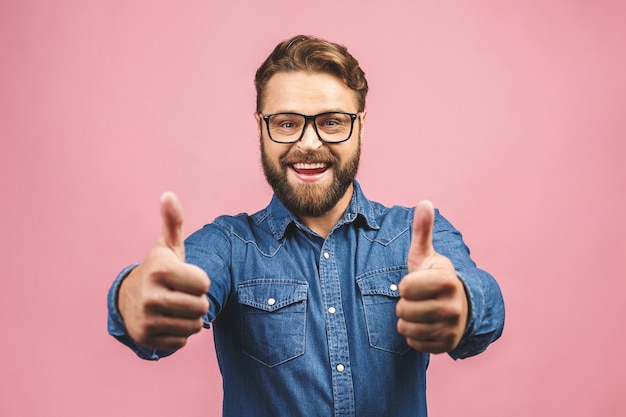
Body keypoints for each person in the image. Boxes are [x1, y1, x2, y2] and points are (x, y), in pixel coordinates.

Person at [107, 34, 505, 417]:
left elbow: (484, 303)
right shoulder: (228, 244)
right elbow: (169, 287)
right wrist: (134, 296)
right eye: (286, 123)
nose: (310, 143)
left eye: (331, 122)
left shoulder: (415, 234)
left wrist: (463, 304)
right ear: (261, 126)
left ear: (361, 124)